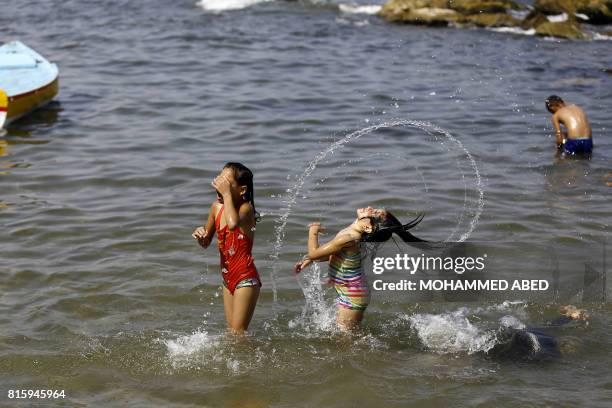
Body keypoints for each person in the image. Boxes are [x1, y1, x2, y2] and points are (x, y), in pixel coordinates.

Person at [294, 207, 429, 331]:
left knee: (345, 338)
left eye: (374, 213)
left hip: (353, 295)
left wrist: (313, 230)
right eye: (375, 209)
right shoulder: (354, 234)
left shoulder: (350, 237)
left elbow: (314, 253)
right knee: (347, 332)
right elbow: (335, 254)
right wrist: (308, 260)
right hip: (353, 290)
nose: (370, 208)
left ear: (369, 227)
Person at [192, 162, 261, 334]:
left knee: (239, 333)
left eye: (227, 183)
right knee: (232, 333)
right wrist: (201, 235)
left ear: (242, 190)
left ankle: (255, 359)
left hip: (246, 279)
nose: (221, 185)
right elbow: (206, 243)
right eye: (220, 179)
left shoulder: (246, 209)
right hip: (227, 278)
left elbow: (232, 224)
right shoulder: (216, 209)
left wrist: (226, 195)